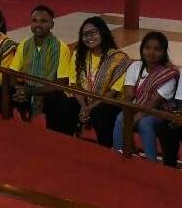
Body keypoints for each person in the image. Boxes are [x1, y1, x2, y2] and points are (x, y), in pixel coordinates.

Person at [44, 17, 130, 146]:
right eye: (84, 35)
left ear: (103, 32)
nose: (89, 37)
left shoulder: (119, 58)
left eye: (93, 33)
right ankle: (61, 143)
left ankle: (106, 150)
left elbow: (113, 92)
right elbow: (74, 84)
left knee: (101, 112)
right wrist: (84, 106)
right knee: (59, 101)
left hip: (107, 102)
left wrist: (89, 108)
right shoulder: (79, 54)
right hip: (83, 99)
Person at [113, 31, 179, 161]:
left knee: (144, 123)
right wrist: (129, 116)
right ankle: (119, 155)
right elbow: (128, 97)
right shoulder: (135, 66)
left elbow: (152, 104)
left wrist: (132, 121)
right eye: (147, 48)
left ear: (164, 52)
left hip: (159, 112)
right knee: (121, 117)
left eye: (157, 49)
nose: (151, 53)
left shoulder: (168, 74)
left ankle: (151, 162)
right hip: (136, 107)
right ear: (142, 49)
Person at [7, 6, 71, 125]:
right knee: (3, 88)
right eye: (34, 21)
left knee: (56, 99)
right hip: (26, 88)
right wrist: (18, 89)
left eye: (43, 21)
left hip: (48, 92)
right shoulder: (24, 44)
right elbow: (12, 71)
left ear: (52, 24)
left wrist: (30, 91)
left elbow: (62, 83)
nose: (38, 25)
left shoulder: (61, 48)